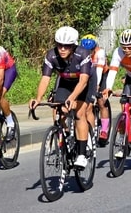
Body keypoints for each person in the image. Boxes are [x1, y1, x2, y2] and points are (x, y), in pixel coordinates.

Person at [30, 26, 95, 168]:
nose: (62, 49)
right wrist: (38, 98)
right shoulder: (51, 55)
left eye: (67, 46)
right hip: (65, 82)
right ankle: (65, 135)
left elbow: (83, 81)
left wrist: (72, 98)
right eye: (59, 45)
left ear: (73, 46)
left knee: (79, 113)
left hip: (85, 83)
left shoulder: (82, 53)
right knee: (59, 109)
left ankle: (82, 154)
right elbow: (45, 79)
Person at [80, 33, 110, 146]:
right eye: (86, 50)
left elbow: (99, 71)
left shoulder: (100, 53)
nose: (88, 53)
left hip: (102, 75)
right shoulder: (81, 53)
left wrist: (96, 87)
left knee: (101, 102)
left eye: (91, 50)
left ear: (95, 48)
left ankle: (104, 130)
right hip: (88, 76)